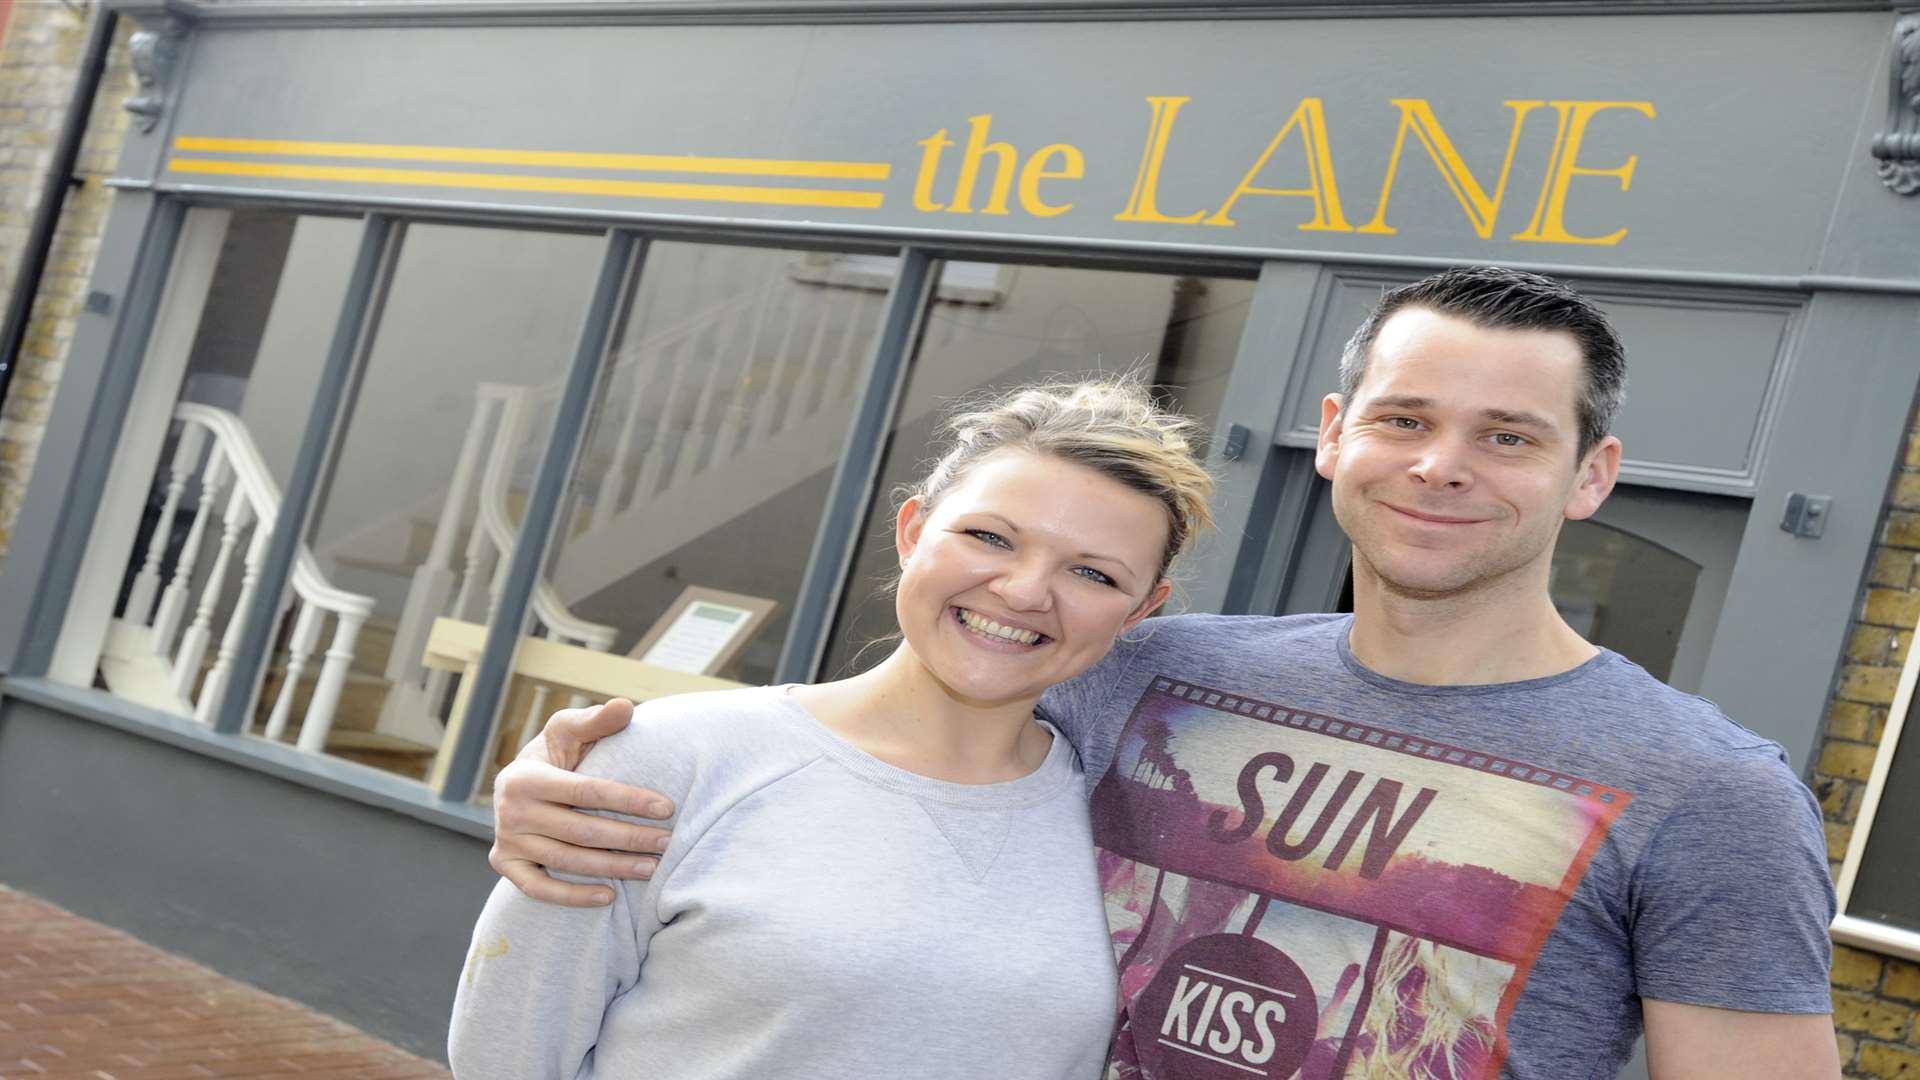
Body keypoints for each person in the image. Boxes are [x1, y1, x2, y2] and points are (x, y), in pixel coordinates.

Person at [484, 268, 1840, 1079]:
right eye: (1407, 419)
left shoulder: (1706, 791)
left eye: (1508, 436)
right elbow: (893, 753)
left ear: (1590, 475)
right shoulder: (1153, 675)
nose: (1441, 465)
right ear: (1334, 437)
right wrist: (568, 782)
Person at [448, 375, 1215, 1079]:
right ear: (914, 531)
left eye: (1093, 573)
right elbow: (506, 1054)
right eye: (988, 537)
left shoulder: (1128, 828)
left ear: (1141, 609)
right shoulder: (671, 760)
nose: (1022, 591)